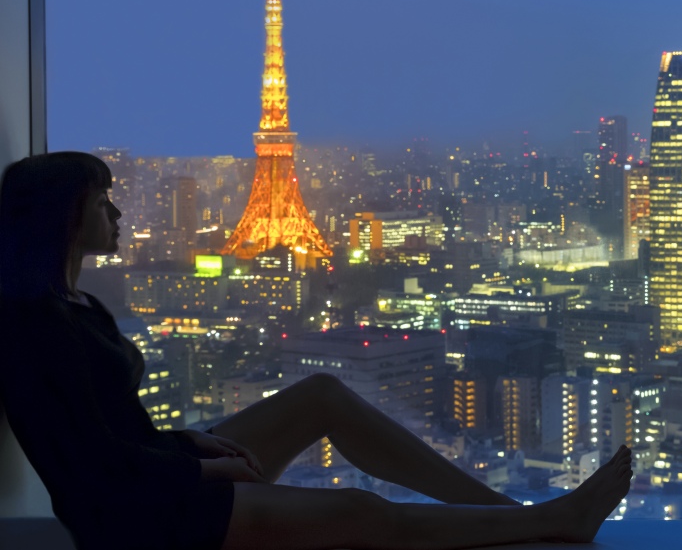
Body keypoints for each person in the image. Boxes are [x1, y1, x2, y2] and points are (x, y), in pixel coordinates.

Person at [0, 152, 633, 550]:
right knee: (362, 514)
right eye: (101, 199)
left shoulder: (79, 303)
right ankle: (549, 524)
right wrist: (199, 469)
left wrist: (192, 443)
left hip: (159, 473)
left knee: (322, 395)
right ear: (63, 215)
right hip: (136, 518)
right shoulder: (35, 325)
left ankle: (519, 514)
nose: (116, 211)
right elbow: (87, 461)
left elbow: (120, 428)